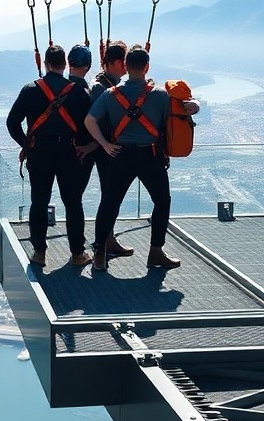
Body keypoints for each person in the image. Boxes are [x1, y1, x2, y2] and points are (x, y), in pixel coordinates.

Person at [84, 45, 199, 271]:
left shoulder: (110, 94)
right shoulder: (159, 95)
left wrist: (106, 145)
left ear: (125, 67)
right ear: (147, 67)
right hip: (151, 156)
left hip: (120, 155)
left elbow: (90, 120)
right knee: (162, 201)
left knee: (109, 203)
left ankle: (99, 252)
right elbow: (189, 109)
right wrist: (194, 104)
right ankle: (156, 251)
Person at [6, 44, 94, 268]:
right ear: (65, 65)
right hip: (68, 152)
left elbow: (12, 122)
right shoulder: (77, 92)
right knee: (73, 202)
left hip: (39, 153)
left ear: (45, 64)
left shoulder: (30, 89)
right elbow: (87, 125)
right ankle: (77, 253)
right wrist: (81, 145)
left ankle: (39, 252)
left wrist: (26, 143)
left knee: (39, 201)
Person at [79, 40, 136, 258]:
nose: (125, 65)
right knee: (110, 196)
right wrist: (100, 143)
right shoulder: (102, 88)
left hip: (102, 147)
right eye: (122, 62)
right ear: (112, 63)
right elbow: (98, 120)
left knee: (109, 196)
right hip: (105, 149)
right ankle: (105, 241)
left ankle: (105, 239)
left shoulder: (102, 83)